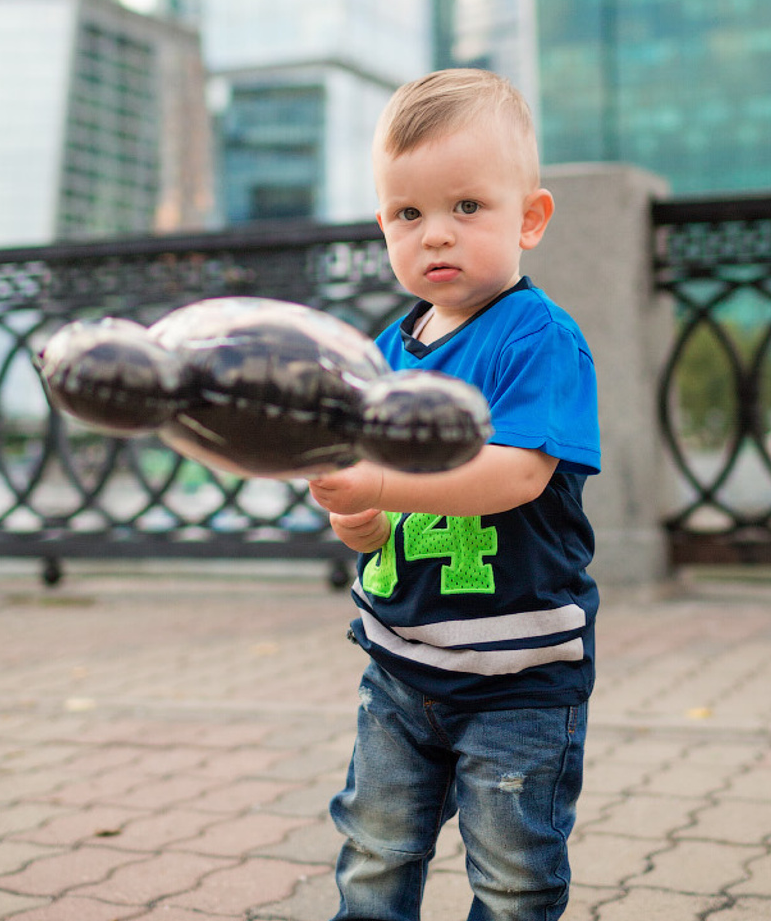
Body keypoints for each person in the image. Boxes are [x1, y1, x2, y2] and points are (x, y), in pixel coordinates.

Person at [308, 69, 601, 921]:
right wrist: (356, 517)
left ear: (530, 218)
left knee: (513, 878)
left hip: (519, 676)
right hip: (400, 665)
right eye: (409, 214)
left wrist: (382, 479)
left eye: (466, 207)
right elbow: (374, 525)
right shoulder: (378, 358)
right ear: (383, 227)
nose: (436, 235)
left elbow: (516, 473)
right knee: (374, 852)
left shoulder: (538, 338)